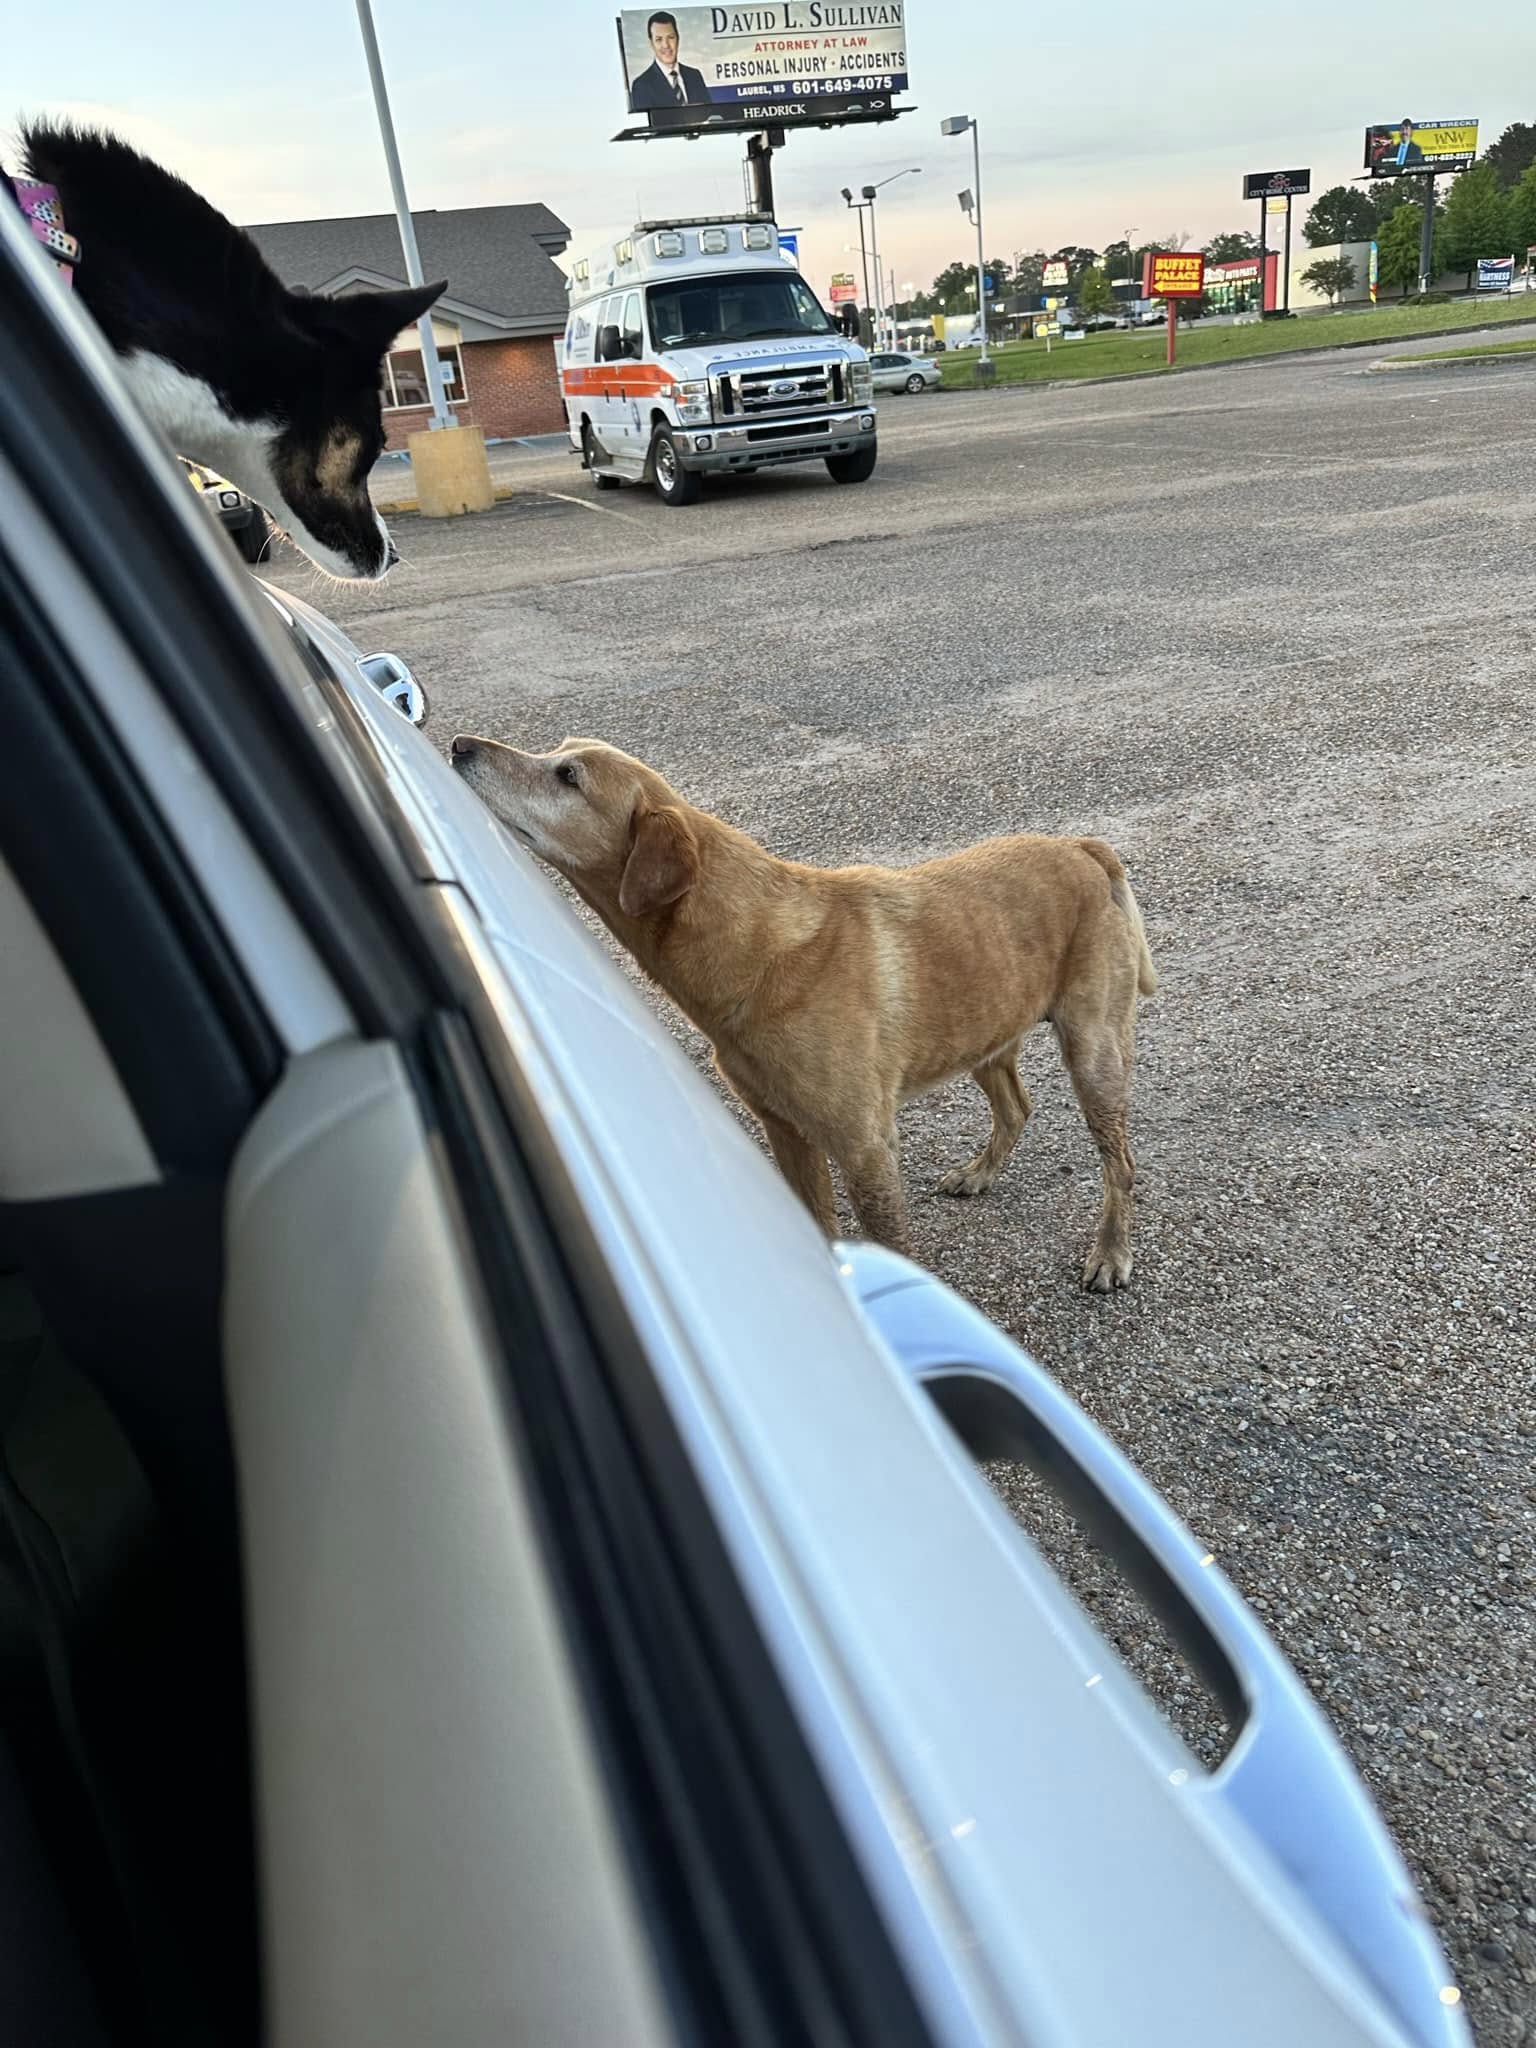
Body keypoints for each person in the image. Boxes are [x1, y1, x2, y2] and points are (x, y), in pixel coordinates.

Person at [629, 13, 711, 111]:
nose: (666, 45)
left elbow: (710, 114)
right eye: (659, 39)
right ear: (651, 43)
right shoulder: (642, 85)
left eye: (671, 37)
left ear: (678, 38)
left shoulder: (694, 76)